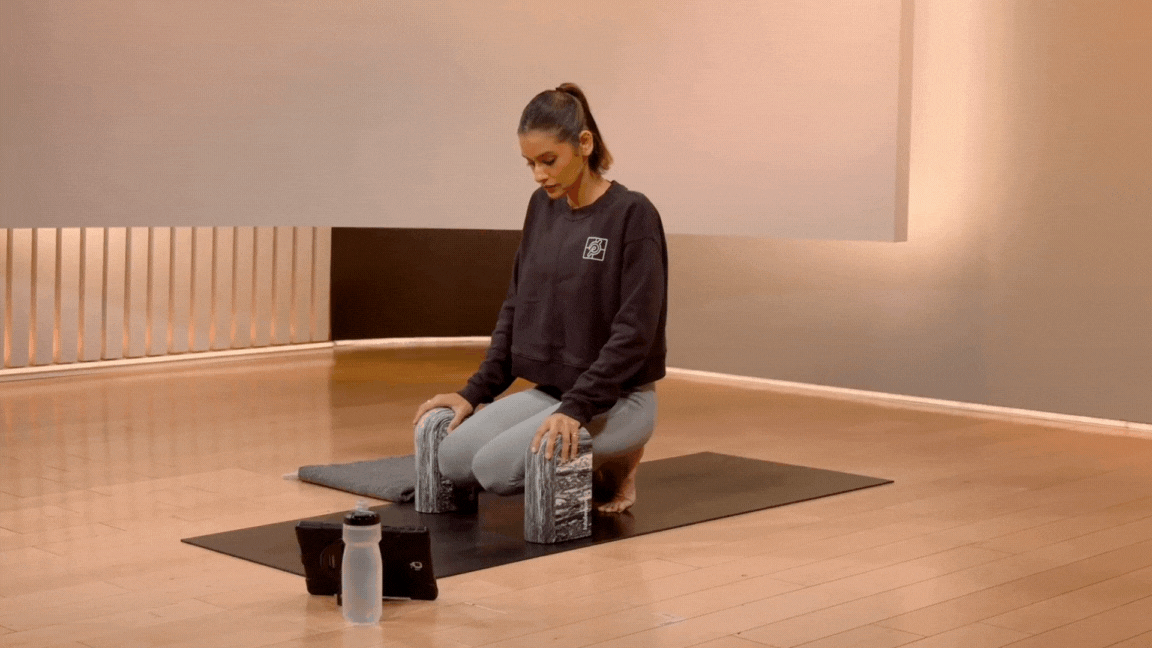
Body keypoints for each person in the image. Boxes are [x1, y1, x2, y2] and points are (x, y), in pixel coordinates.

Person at [412, 83, 668, 514]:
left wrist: (578, 408)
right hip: (553, 390)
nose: (539, 174)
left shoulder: (633, 214)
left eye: (549, 161)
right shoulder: (541, 207)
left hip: (620, 398)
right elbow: (516, 305)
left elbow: (635, 332)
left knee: (495, 471)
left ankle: (620, 461)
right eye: (530, 163)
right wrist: (473, 393)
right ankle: (591, 448)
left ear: (584, 144)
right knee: (453, 460)